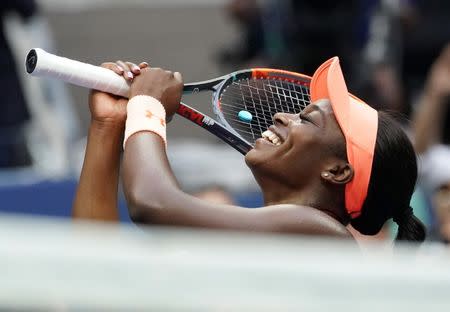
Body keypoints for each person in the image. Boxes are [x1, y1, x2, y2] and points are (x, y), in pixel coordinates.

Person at [73, 57, 425, 242]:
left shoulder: (321, 233)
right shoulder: (254, 237)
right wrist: (107, 127)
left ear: (336, 171)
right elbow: (96, 273)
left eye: (307, 120)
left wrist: (147, 107)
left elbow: (153, 203)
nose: (281, 116)